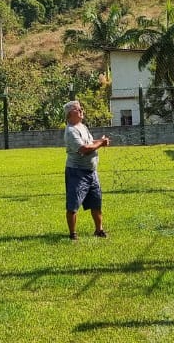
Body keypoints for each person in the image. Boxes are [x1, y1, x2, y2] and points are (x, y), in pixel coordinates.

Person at [63, 100, 110, 241]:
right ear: (70, 114)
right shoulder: (71, 131)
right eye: (78, 109)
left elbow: (89, 143)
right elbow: (83, 149)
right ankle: (73, 235)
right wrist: (101, 144)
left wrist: (100, 141)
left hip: (91, 171)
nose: (82, 111)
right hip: (77, 172)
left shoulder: (82, 126)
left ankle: (99, 230)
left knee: (96, 202)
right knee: (73, 205)